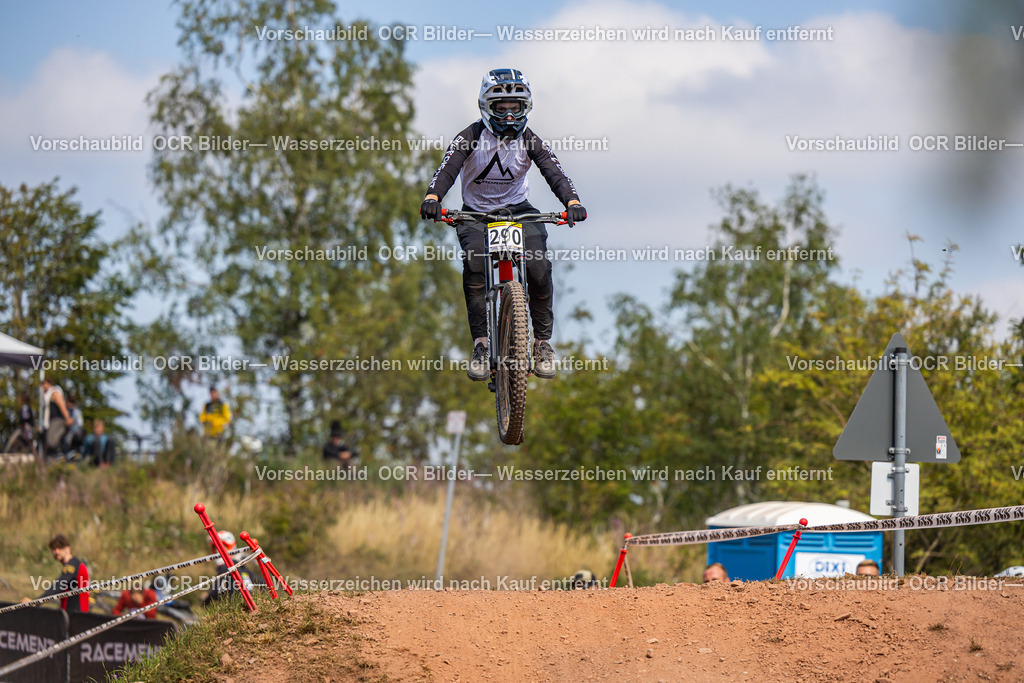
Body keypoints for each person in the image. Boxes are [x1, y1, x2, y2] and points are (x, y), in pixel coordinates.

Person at [420, 68, 587, 381]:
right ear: (486, 107)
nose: (510, 117)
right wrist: (432, 197)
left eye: (516, 108)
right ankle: (482, 345)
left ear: (527, 108)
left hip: (519, 210)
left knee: (539, 268)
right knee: (475, 268)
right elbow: (447, 170)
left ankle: (542, 344)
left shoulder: (529, 140)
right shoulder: (469, 137)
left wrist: (572, 203)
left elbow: (555, 172)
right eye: (501, 108)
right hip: (476, 214)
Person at [22, 534, 90, 612]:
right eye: (54, 549)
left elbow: (59, 584)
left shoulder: (72, 565)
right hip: (71, 613)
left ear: (68, 549)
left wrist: (36, 602)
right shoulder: (74, 565)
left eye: (60, 548)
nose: (56, 551)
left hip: (77, 616)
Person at [202, 530, 259, 605]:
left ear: (230, 546)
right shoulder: (241, 565)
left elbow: (215, 592)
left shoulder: (227, 566)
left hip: (240, 608)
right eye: (215, 548)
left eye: (222, 547)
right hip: (249, 605)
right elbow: (261, 582)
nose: (217, 551)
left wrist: (205, 600)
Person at [41, 377, 73, 457]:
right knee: (52, 440)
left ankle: (66, 453)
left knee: (52, 440)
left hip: (57, 420)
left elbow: (61, 405)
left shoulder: (54, 392)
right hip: (51, 421)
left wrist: (67, 418)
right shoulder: (47, 394)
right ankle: (60, 455)